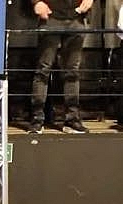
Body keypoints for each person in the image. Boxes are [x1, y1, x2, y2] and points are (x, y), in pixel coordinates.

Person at [29, 0, 94, 135]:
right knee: (43, 69)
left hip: (76, 17)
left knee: (72, 71)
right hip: (50, 16)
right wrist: (36, 2)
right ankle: (37, 119)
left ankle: (72, 119)